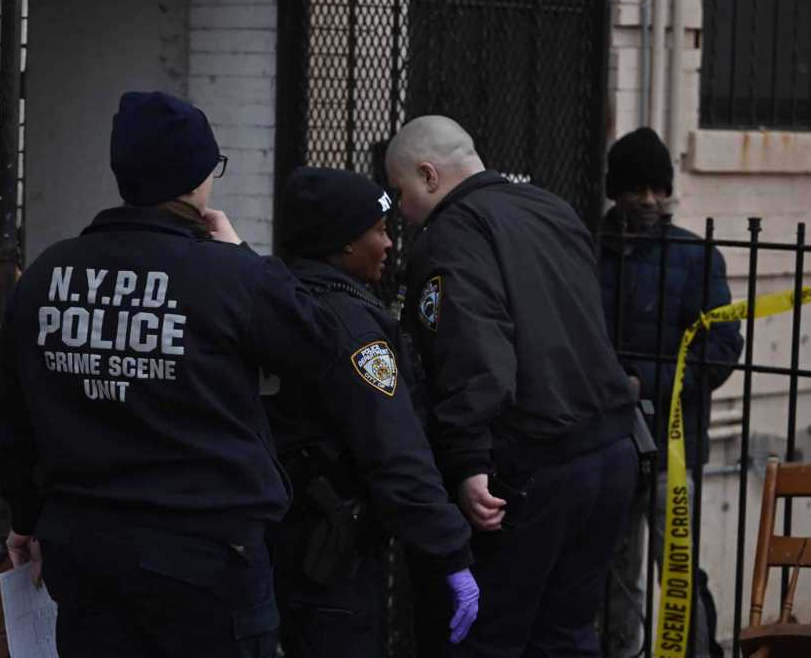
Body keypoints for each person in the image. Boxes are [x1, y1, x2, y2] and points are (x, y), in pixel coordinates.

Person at [0, 91, 346, 658]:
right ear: (197, 178)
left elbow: (12, 416)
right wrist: (243, 253)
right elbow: (320, 347)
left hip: (85, 550)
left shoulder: (44, 275)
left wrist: (26, 516)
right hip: (206, 556)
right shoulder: (230, 275)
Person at [384, 115, 639, 657]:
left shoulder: (450, 237)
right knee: (566, 637)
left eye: (401, 192)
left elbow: (473, 350)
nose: (400, 211)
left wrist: (468, 460)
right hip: (611, 449)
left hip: (533, 465)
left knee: (486, 638)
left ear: (429, 175)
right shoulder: (551, 208)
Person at [266, 166, 479, 658]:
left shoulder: (274, 298)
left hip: (275, 546)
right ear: (342, 243)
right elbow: (394, 447)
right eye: (378, 231)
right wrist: (451, 551)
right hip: (330, 561)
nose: (388, 244)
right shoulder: (351, 327)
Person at [599, 128, 743, 658]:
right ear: (617, 191)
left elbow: (721, 348)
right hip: (608, 443)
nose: (649, 200)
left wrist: (646, 381)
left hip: (670, 449)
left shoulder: (694, 256)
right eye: (638, 189)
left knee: (678, 571)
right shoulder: (590, 251)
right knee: (614, 572)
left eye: (658, 189)